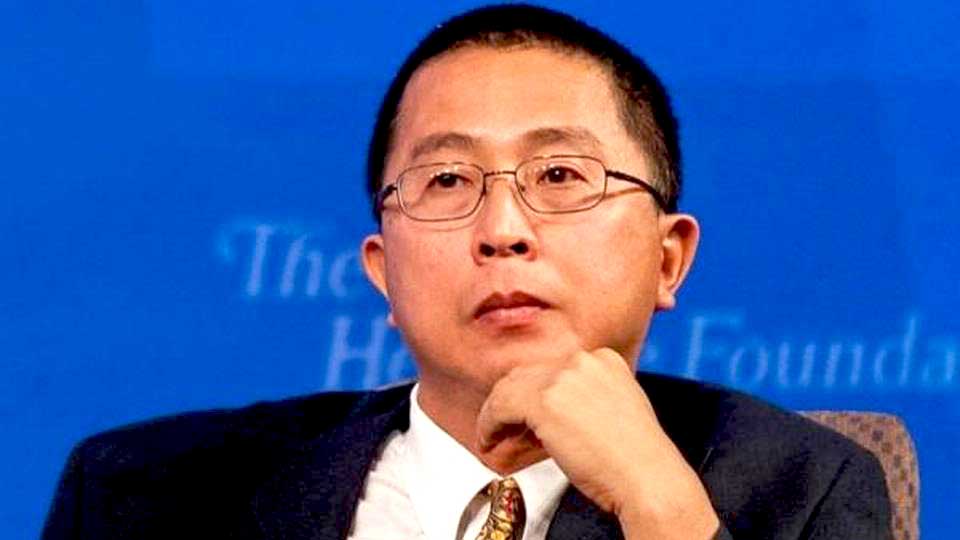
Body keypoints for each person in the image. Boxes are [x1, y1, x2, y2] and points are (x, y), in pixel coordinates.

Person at [42, 4, 892, 539]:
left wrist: (661, 510)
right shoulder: (143, 491)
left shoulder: (802, 489)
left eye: (560, 175)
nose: (503, 231)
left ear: (667, 258)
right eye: (447, 181)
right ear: (382, 271)